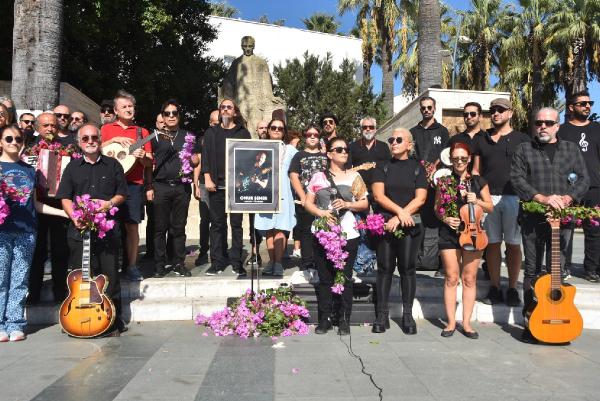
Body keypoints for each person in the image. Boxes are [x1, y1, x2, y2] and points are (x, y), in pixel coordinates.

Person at [511, 107, 589, 342]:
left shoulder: (570, 149)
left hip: (562, 221)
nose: (542, 126)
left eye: (548, 122)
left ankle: (558, 317)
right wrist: (542, 198)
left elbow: (584, 179)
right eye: (538, 123)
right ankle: (530, 321)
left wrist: (567, 198)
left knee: (557, 268)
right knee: (533, 270)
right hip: (532, 219)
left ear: (557, 126)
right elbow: (517, 179)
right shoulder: (524, 149)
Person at [56, 123, 129, 335]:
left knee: (109, 275)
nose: (90, 142)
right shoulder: (72, 167)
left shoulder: (113, 165)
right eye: (85, 138)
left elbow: (122, 194)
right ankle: (76, 318)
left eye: (94, 138)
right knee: (79, 275)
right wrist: (74, 215)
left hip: (107, 230)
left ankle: (113, 320)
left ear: (100, 140)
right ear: (79, 142)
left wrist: (107, 204)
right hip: (79, 230)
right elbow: (65, 197)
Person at [0, 125, 67, 342]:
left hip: (26, 231)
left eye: (18, 139)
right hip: (2, 231)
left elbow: (36, 204)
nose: (13, 142)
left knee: (20, 279)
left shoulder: (30, 171)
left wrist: (66, 213)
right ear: (0, 142)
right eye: (8, 138)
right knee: (1, 278)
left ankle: (15, 322)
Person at [304, 138, 369, 335]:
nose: (344, 152)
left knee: (345, 277)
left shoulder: (354, 176)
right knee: (325, 278)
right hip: (323, 232)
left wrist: (348, 204)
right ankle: (325, 319)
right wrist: (321, 213)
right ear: (329, 154)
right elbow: (308, 203)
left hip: (347, 233)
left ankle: (344, 319)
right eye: (339, 149)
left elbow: (364, 204)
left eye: (346, 149)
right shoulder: (318, 177)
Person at [472, 98, 529, 306]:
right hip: (489, 199)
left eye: (501, 110)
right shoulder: (482, 139)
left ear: (510, 113)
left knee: (514, 245)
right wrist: (479, 195)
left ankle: (513, 288)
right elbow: (476, 171)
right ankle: (495, 287)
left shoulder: (522, 139)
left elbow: (528, 169)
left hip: (514, 197)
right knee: (492, 245)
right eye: (493, 110)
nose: (496, 113)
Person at [371, 128, 427, 334]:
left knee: (407, 269)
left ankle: (407, 315)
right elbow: (378, 196)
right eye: (391, 139)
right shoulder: (382, 166)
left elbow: (421, 198)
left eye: (399, 139)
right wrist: (397, 214)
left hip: (410, 226)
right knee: (384, 268)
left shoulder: (418, 168)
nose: (393, 142)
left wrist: (400, 217)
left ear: (409, 145)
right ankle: (382, 314)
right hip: (386, 225)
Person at [436, 142, 493, 339]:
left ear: (469, 159)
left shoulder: (478, 181)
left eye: (463, 158)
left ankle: (467, 323)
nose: (459, 161)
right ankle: (451, 322)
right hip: (449, 234)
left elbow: (490, 207)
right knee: (451, 277)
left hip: (473, 232)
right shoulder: (444, 181)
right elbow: (437, 208)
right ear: (450, 159)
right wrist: (445, 218)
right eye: (455, 158)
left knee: (469, 278)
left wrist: (475, 200)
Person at [101, 90, 153, 282]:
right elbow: (96, 151)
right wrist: (113, 140)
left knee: (132, 227)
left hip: (134, 185)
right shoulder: (106, 129)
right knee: (109, 226)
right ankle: (109, 267)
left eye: (131, 106)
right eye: (124, 107)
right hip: (110, 186)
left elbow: (149, 164)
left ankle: (131, 266)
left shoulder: (143, 133)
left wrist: (142, 157)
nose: (129, 109)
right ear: (115, 110)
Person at [150, 100, 199, 278]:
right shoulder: (154, 137)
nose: (171, 116)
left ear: (179, 115)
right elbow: (148, 163)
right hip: (161, 185)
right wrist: (149, 186)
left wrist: (195, 162)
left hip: (181, 187)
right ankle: (159, 265)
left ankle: (179, 263)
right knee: (159, 228)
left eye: (174, 113)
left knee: (179, 228)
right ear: (162, 116)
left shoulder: (187, 136)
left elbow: (195, 160)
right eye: (167, 113)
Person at [202, 99, 251, 276]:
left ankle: (237, 263)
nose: (225, 110)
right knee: (216, 225)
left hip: (236, 188)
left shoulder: (243, 133)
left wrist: (242, 180)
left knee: (236, 225)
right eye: (222, 107)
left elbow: (248, 160)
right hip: (216, 185)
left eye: (229, 107)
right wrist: (207, 178)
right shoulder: (211, 132)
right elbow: (205, 157)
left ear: (235, 112)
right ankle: (217, 263)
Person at [28, 112, 71, 304]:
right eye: (45, 125)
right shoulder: (29, 149)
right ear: (38, 128)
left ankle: (60, 291)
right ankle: (34, 292)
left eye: (53, 125)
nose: (50, 129)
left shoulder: (66, 149)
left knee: (60, 249)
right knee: (37, 250)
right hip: (36, 204)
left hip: (58, 204)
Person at [558, 91, 600, 282]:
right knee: (566, 229)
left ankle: (591, 269)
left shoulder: (597, 129)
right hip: (568, 189)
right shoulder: (562, 130)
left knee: (594, 230)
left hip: (594, 187)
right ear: (571, 107)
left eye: (589, 103)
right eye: (582, 103)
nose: (587, 106)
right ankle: (563, 267)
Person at [410, 96, 449, 277]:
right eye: (423, 108)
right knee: (419, 222)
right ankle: (416, 260)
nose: (426, 110)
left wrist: (435, 166)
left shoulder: (443, 131)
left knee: (440, 221)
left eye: (429, 107)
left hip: (437, 186)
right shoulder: (413, 132)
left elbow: (446, 155)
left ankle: (441, 265)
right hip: (418, 185)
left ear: (434, 108)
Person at [254, 120, 298, 276]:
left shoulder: (291, 150)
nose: (277, 130)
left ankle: (278, 263)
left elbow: (297, 173)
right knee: (268, 229)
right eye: (274, 127)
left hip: (284, 194)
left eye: (280, 128)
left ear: (284, 131)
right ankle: (271, 262)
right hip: (264, 194)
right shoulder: (259, 148)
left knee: (280, 228)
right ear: (268, 130)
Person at [289, 124, 328, 271]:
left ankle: (322, 262)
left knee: (323, 231)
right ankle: (307, 262)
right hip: (304, 201)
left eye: (315, 135)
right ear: (305, 137)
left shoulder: (326, 155)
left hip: (323, 202)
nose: (312, 137)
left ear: (319, 137)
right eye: (309, 134)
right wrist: (303, 196)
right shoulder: (298, 155)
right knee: (306, 231)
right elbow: (293, 176)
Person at [193, 110, 220, 266]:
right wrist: (195, 184)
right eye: (216, 123)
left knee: (220, 220)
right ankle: (203, 252)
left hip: (222, 183)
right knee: (205, 219)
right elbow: (199, 163)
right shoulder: (202, 140)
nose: (219, 126)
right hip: (204, 183)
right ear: (210, 123)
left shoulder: (226, 138)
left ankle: (220, 252)